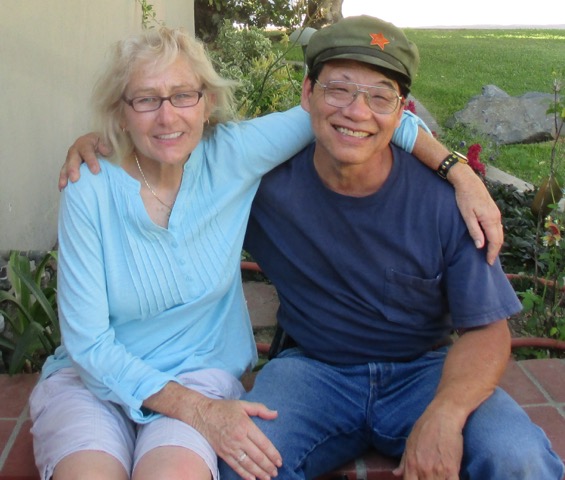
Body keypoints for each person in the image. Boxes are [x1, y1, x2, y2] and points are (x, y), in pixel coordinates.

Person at [36, 25, 494, 480]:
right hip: (93, 384)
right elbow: (90, 344)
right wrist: (197, 411)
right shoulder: (88, 189)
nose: (167, 117)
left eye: (182, 96)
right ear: (120, 112)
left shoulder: (231, 155)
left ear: (207, 102)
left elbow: (368, 115)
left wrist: (461, 174)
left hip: (198, 373)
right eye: (145, 99)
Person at [213, 16, 563, 480]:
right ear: (307, 94)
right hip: (314, 372)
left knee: (519, 457)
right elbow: (168, 160)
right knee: (242, 462)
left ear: (402, 112)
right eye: (338, 89)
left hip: (426, 373)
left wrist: (447, 412)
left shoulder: (445, 201)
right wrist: (105, 147)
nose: (357, 112)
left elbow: (488, 331)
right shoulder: (264, 189)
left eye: (380, 96)